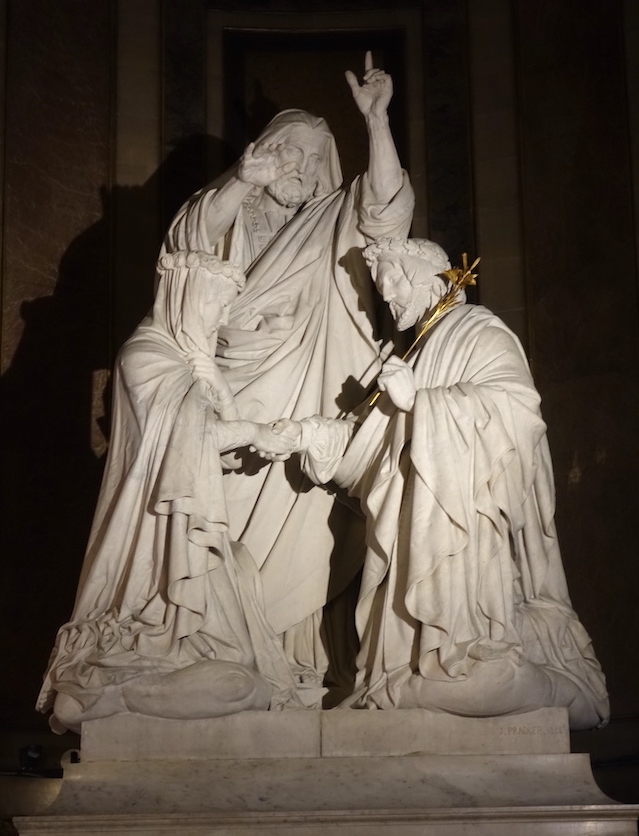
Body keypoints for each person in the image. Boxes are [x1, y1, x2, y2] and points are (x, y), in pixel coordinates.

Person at [269, 237, 609, 730]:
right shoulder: (415, 348)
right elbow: (373, 440)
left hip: (460, 525)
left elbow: (518, 411)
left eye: (395, 287)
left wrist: (421, 404)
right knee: (409, 667)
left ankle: (471, 666)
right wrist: (309, 436)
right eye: (383, 294)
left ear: (428, 277)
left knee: (471, 673)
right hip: (410, 523)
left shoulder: (478, 330)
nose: (389, 301)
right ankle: (404, 678)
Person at [162, 53, 415, 697]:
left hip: (310, 398)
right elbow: (184, 248)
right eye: (286, 152)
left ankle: (295, 667)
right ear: (263, 151)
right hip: (231, 388)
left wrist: (378, 125)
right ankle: (217, 649)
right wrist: (241, 183)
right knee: (222, 527)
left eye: (309, 157)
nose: (296, 167)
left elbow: (387, 211)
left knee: (306, 528)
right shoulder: (227, 204)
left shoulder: (335, 215)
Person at [37, 250, 301, 733]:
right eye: (217, 304)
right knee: (243, 677)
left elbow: (204, 438)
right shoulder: (146, 358)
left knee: (243, 660)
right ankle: (104, 691)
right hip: (159, 538)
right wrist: (253, 432)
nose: (222, 318)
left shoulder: (185, 362)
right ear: (186, 298)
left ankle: (105, 697)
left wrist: (220, 387)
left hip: (188, 528)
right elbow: (188, 439)